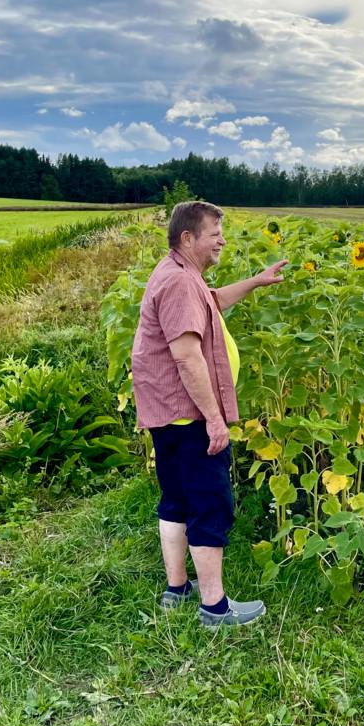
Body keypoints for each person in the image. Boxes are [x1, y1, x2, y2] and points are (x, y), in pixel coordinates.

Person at [130, 200, 286, 627]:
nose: (222, 240)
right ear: (187, 237)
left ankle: (177, 589)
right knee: (208, 504)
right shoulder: (180, 283)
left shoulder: (179, 274)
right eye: (214, 233)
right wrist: (214, 418)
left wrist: (256, 281)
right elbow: (186, 356)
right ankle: (215, 608)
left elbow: (212, 302)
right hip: (189, 417)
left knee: (176, 500)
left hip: (169, 415)